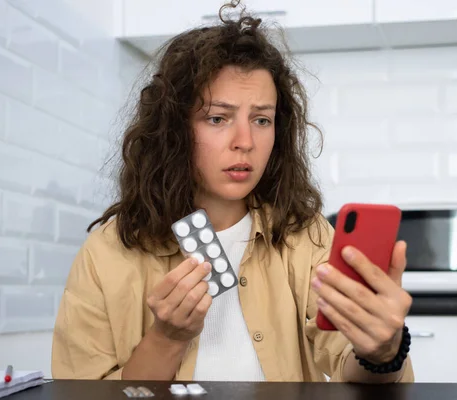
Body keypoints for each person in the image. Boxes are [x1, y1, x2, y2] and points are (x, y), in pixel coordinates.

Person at [51, 1, 414, 384]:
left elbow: (349, 365)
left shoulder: (305, 237)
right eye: (217, 118)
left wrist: (381, 352)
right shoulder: (106, 253)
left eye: (261, 119)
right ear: (173, 129)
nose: (245, 142)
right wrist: (166, 338)